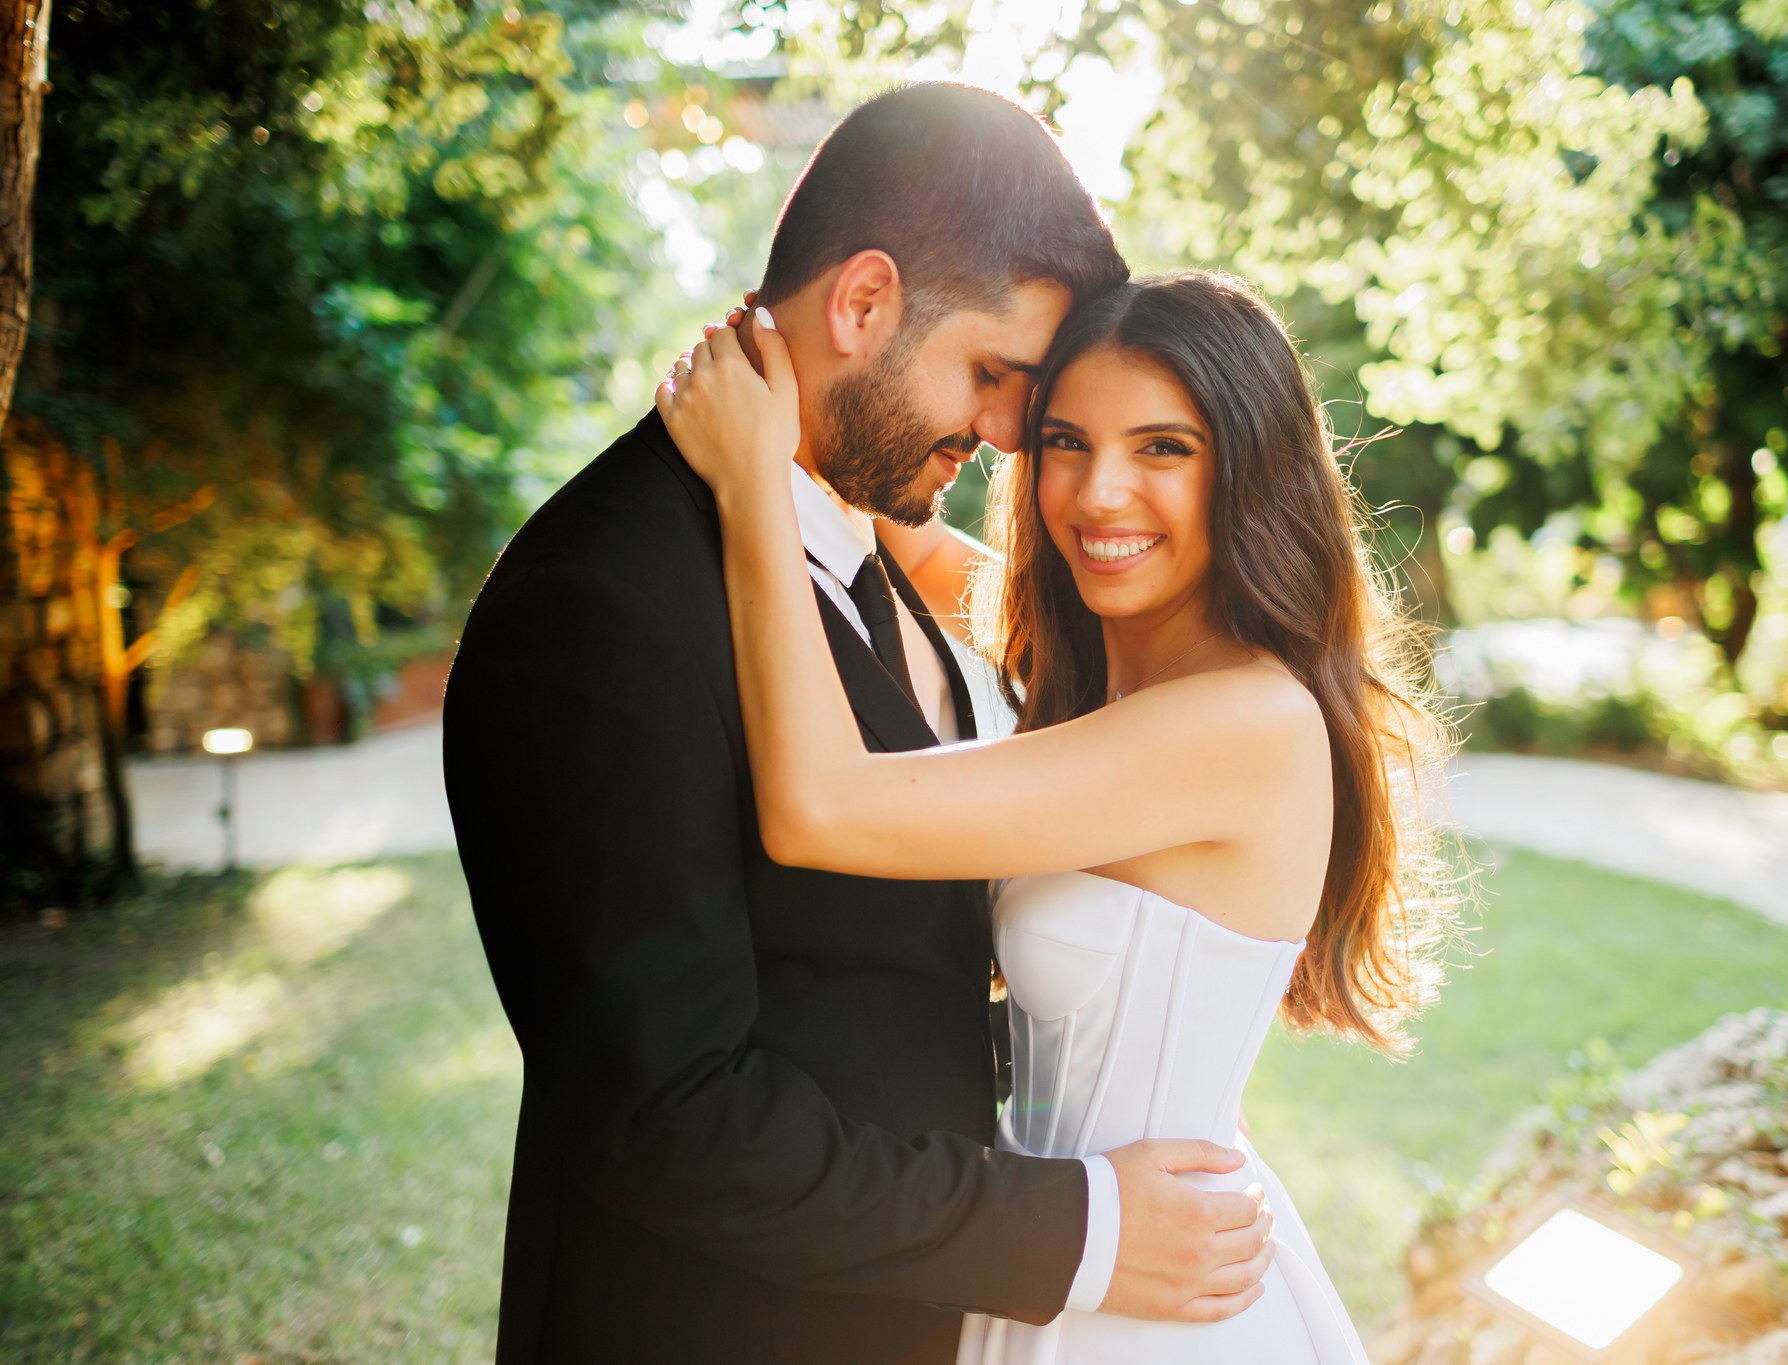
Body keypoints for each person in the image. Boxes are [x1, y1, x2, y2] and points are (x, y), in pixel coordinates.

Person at [441, 84, 1276, 1365]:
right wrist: (1079, 1229)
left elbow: (883, 973)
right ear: (864, 303)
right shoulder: (599, 603)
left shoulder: (849, 532)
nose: (1008, 437)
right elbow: (672, 1118)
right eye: (996, 376)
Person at [656, 268, 1460, 1363]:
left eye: (1163, 448)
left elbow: (820, 808)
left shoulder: (1240, 723)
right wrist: (806, 380)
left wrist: (747, 475)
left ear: (1250, 472)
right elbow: (898, 540)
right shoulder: (1118, 677)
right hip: (1060, 1260)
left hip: (1150, 1307)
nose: (1097, 496)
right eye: (1066, 444)